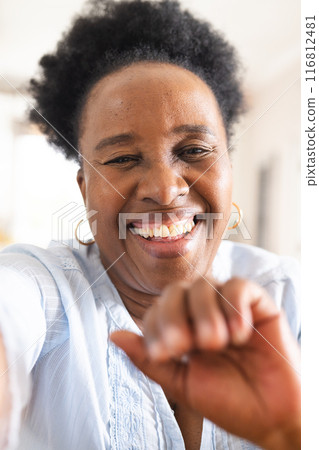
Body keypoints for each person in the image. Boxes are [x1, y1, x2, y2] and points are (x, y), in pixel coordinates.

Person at [0, 0, 300, 449]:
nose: (163, 189)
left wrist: (290, 433)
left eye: (195, 150)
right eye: (122, 158)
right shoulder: (44, 289)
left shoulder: (291, 298)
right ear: (85, 190)